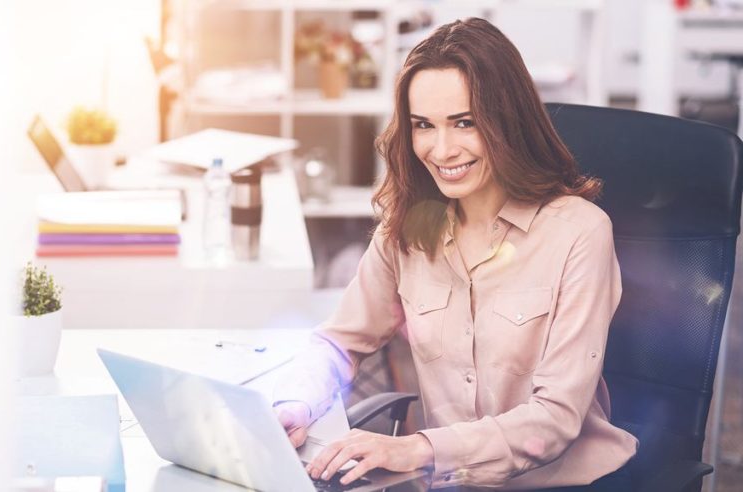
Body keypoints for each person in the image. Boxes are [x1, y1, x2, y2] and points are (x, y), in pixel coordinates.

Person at [273, 17, 638, 491]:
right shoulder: (406, 228)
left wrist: (416, 448)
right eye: (424, 125)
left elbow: (554, 420)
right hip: (450, 482)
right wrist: (296, 402)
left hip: (565, 483)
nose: (441, 150)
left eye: (464, 123)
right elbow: (338, 342)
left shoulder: (578, 232)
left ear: (507, 122)